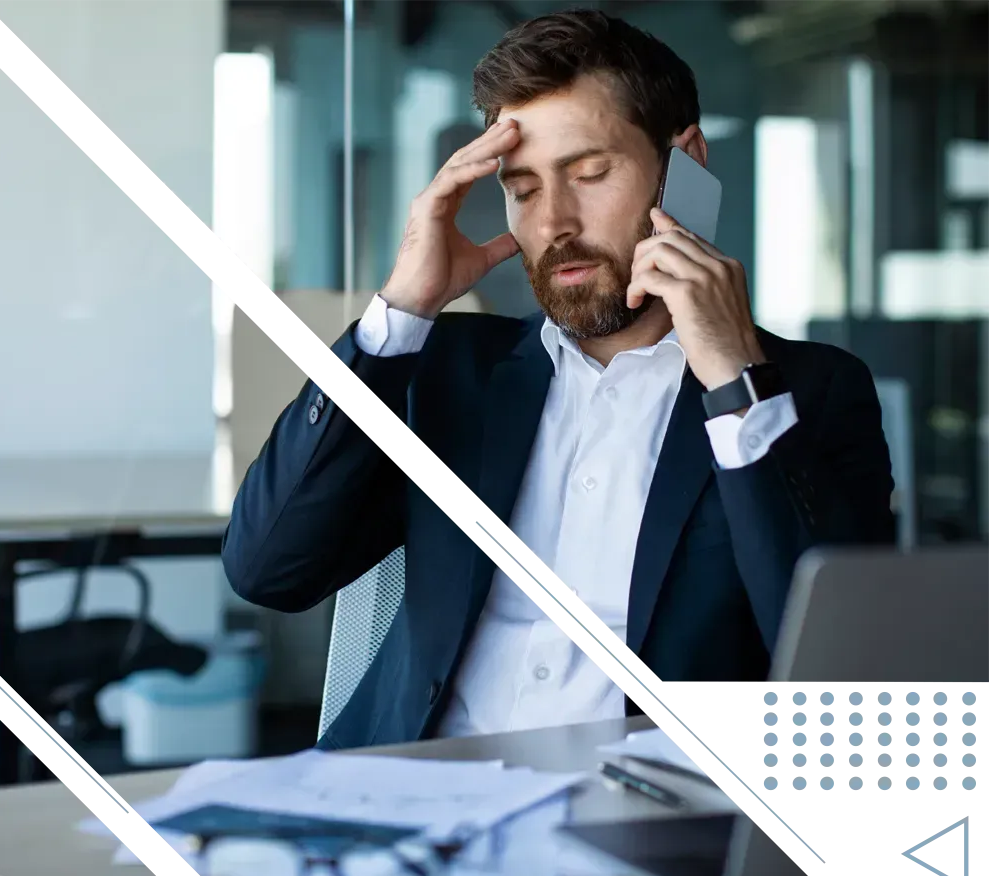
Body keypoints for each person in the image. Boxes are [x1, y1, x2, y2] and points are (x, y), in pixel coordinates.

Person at [221, 9, 896, 749]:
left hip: (637, 825)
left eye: (590, 173)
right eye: (525, 188)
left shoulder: (810, 391)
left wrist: (734, 379)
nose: (556, 222)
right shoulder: (448, 370)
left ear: (688, 166)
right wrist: (401, 311)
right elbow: (268, 568)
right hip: (408, 799)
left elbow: (846, 675)